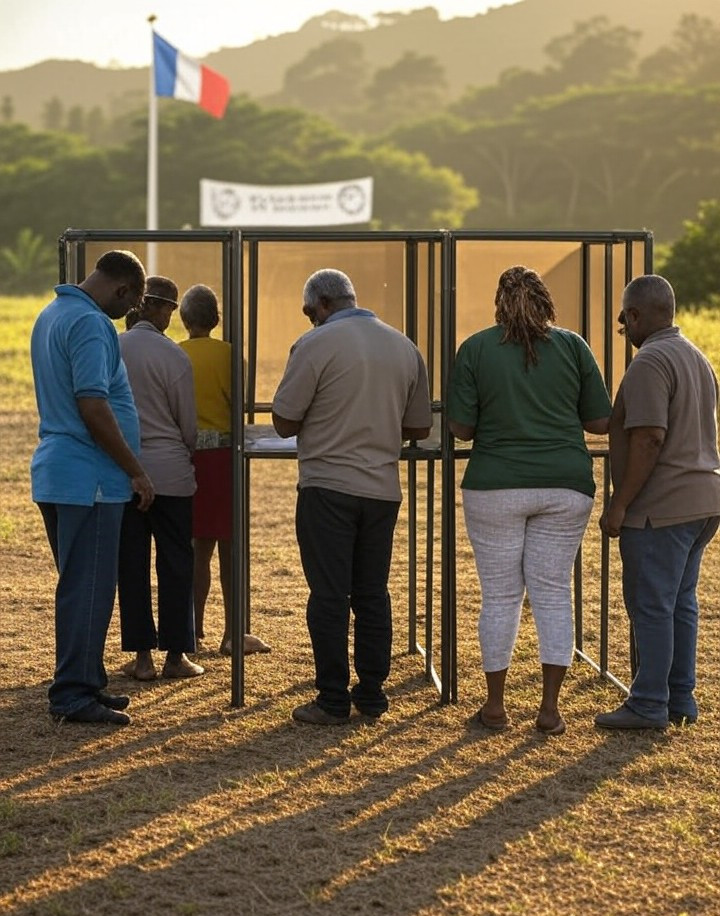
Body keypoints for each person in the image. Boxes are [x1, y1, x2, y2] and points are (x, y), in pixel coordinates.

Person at [448, 265, 611, 736]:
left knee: (500, 597)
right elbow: (598, 421)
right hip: (565, 485)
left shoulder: (477, 348)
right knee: (553, 594)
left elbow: (461, 428)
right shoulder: (573, 346)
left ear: (499, 303)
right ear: (546, 301)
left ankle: (495, 709)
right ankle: (549, 711)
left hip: (495, 484)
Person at [272, 268, 432, 725]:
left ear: (320, 305)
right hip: (382, 488)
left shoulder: (314, 345)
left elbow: (285, 421)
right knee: (371, 593)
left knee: (328, 595)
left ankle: (332, 697)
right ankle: (373, 692)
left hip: (327, 485)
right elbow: (420, 427)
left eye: (309, 313)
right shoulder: (403, 346)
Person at [30, 249, 153, 726]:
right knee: (89, 589)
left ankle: (87, 679)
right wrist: (135, 470)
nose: (131, 312)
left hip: (62, 473)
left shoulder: (54, 312)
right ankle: (74, 694)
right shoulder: (90, 323)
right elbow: (93, 404)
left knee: (83, 585)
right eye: (134, 301)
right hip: (92, 478)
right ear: (121, 289)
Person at [596, 274, 720, 729]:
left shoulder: (650, 361)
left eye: (623, 319)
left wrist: (620, 504)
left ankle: (648, 702)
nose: (623, 328)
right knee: (680, 603)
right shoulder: (696, 357)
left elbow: (649, 438)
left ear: (635, 315)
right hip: (703, 499)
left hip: (661, 507)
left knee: (651, 605)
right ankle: (679, 699)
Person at [117, 276, 203, 680]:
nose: (172, 315)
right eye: (169, 307)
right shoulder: (173, 356)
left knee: (132, 564)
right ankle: (175, 655)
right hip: (170, 472)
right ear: (155, 307)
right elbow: (188, 425)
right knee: (175, 563)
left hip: (124, 472)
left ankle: (142, 658)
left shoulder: (113, 347)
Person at [178, 284, 270, 656]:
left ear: (183, 320)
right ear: (216, 320)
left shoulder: (177, 354)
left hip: (189, 457)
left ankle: (193, 631)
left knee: (198, 548)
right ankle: (233, 633)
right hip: (224, 458)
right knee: (231, 548)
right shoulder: (231, 356)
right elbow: (240, 405)